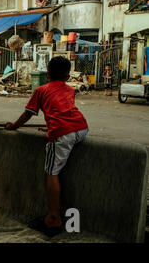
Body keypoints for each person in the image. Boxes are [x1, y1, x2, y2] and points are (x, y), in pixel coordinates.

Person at [5, 56, 89, 237]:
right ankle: (54, 217)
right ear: (67, 78)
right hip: (82, 128)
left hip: (62, 134)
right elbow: (63, 110)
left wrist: (14, 126)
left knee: (52, 173)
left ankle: (53, 218)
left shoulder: (41, 90)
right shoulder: (69, 90)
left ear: (48, 75)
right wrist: (51, 125)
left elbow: (28, 114)